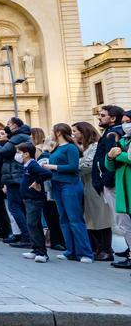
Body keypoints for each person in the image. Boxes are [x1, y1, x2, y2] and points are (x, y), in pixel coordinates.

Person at [41, 123, 94, 263]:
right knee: (63, 219)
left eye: (53, 131)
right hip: (57, 185)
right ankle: (70, 251)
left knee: (75, 219)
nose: (51, 133)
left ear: (58, 132)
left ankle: (86, 253)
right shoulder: (57, 148)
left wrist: (52, 166)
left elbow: (73, 166)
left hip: (70, 185)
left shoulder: (71, 147)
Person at [72, 122, 113, 261]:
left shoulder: (95, 146)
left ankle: (106, 250)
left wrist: (73, 165)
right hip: (86, 185)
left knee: (101, 218)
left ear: (84, 132)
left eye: (75, 131)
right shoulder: (84, 148)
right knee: (90, 219)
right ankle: (97, 248)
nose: (73, 134)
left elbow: (89, 164)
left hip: (95, 185)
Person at [0, 118, 31, 245]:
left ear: (15, 125)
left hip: (15, 176)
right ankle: (20, 234)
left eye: (8, 125)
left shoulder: (17, 137)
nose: (7, 127)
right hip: (14, 175)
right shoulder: (21, 137)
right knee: (16, 207)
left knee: (14, 207)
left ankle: (26, 236)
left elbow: (3, 151)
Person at [17, 142, 52, 262]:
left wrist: (37, 182)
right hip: (28, 198)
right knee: (33, 225)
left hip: (34, 199)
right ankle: (36, 249)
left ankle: (42, 253)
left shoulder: (32, 165)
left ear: (26, 154)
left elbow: (47, 173)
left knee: (33, 224)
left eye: (19, 152)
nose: (18, 155)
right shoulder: (27, 165)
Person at [106, 111, 131, 269]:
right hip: (123, 190)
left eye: (128, 121)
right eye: (124, 121)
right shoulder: (122, 140)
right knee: (126, 225)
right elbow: (109, 166)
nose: (125, 124)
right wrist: (110, 156)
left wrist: (118, 155)